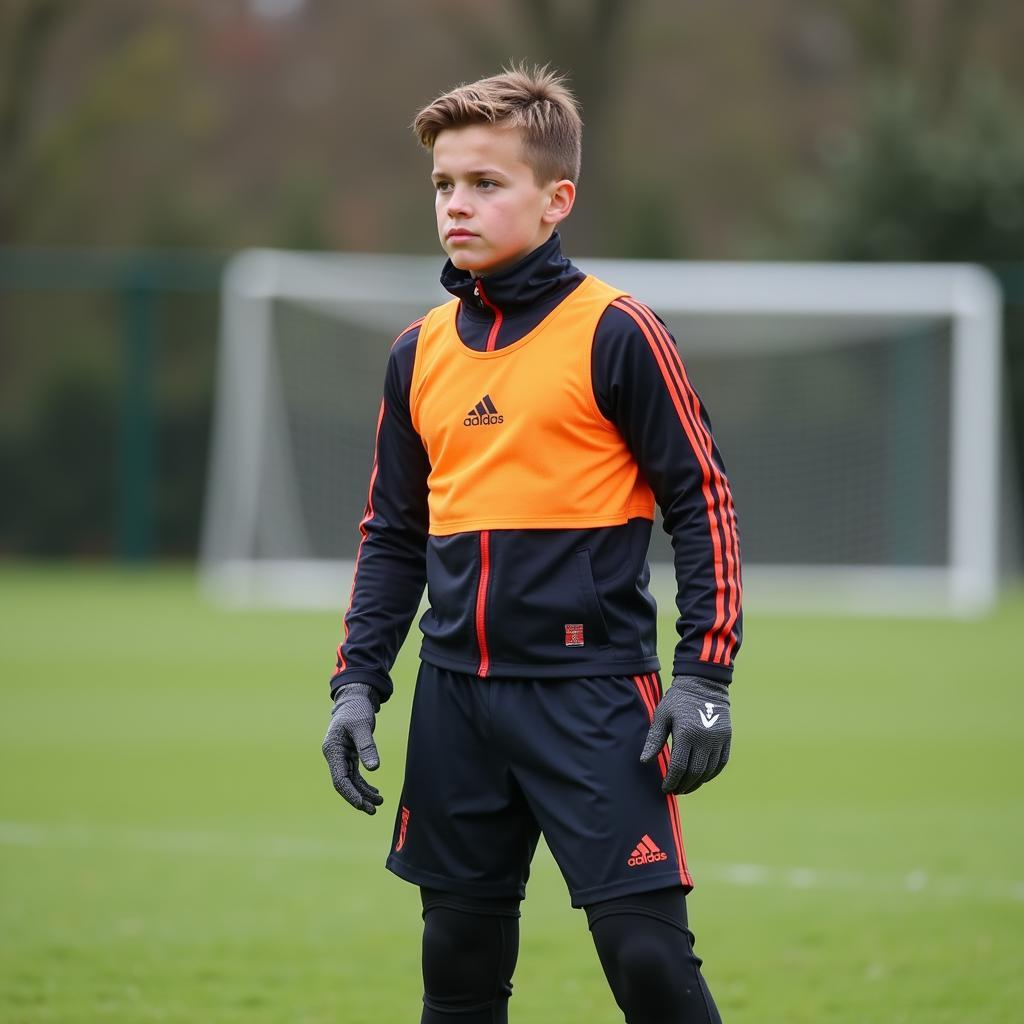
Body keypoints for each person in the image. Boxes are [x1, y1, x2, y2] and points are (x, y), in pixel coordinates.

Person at [322, 64, 742, 1024]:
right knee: (457, 962)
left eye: (484, 183)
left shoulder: (618, 331)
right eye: (442, 185)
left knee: (645, 959)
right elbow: (391, 536)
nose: (456, 205)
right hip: (455, 702)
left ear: (558, 201)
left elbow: (702, 498)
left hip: (595, 699)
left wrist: (704, 679)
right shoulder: (416, 351)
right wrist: (357, 685)